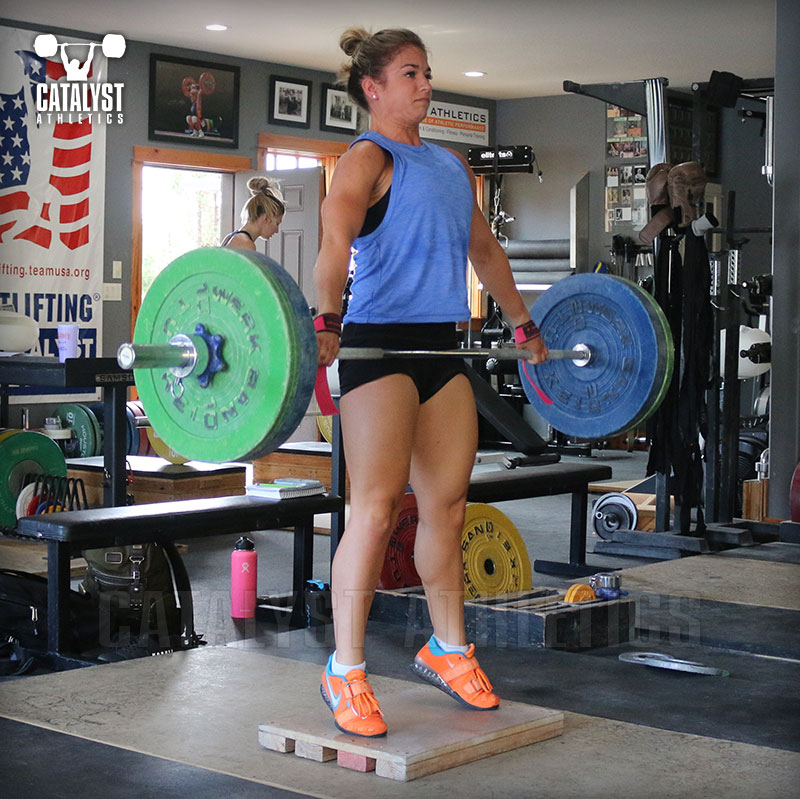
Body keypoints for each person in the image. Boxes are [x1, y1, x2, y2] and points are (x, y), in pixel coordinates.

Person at [313, 27, 548, 738]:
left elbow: (485, 250)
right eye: (410, 73)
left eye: (427, 72)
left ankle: (448, 649)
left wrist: (523, 325)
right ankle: (345, 670)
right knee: (376, 509)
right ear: (373, 88)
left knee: (445, 507)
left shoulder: (451, 167)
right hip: (378, 349)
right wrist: (327, 319)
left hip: (444, 349)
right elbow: (333, 246)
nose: (425, 83)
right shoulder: (364, 161)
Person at [221, 177, 285, 250]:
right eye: (277, 223)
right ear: (266, 218)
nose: (276, 230)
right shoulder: (246, 244)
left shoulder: (229, 237)